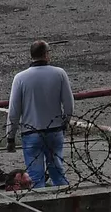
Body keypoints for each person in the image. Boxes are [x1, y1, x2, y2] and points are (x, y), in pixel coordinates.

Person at [5, 41, 74, 189]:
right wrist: (65, 122)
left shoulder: (20, 78)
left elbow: (14, 111)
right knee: (57, 172)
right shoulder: (59, 73)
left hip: (31, 132)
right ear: (46, 54)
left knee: (35, 177)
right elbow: (69, 104)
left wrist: (10, 137)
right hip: (54, 130)